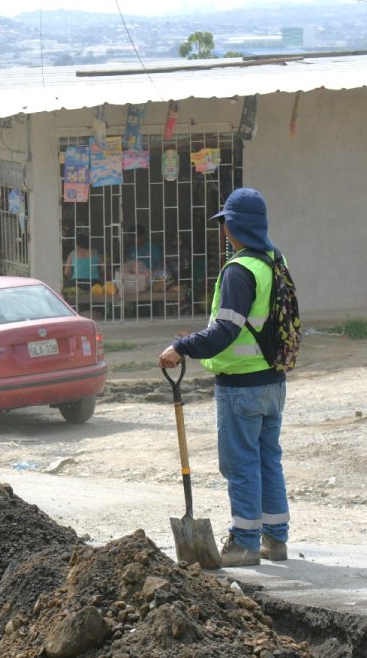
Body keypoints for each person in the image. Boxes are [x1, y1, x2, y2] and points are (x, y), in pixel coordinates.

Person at [157, 187, 291, 568]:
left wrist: (180, 347)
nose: (223, 233)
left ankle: (245, 543)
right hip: (273, 382)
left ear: (235, 227)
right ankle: (275, 539)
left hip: (242, 385)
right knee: (268, 459)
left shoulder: (239, 270)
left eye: (226, 225)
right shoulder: (274, 261)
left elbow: (224, 333)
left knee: (241, 463)